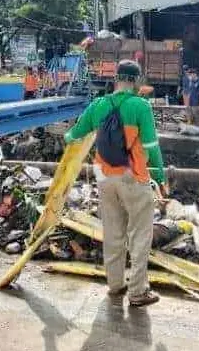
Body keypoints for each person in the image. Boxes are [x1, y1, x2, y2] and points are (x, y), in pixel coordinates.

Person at [65, 60, 168, 307]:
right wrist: (161, 178)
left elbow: (74, 135)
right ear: (136, 80)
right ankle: (138, 292)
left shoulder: (98, 105)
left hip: (104, 176)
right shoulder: (140, 106)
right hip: (133, 176)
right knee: (140, 234)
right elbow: (152, 148)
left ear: (116, 78)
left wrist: (70, 141)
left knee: (113, 231)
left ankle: (115, 284)